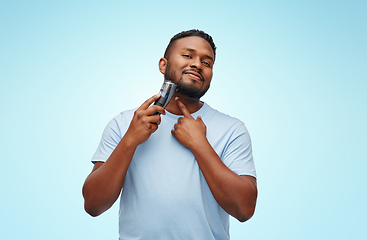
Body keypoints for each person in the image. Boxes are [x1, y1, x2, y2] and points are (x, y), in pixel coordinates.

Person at [82, 29, 257, 239]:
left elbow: (244, 209)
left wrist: (200, 144)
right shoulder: (123, 124)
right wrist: (130, 140)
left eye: (207, 62)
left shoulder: (232, 129)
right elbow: (93, 205)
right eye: (188, 55)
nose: (197, 64)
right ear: (163, 65)